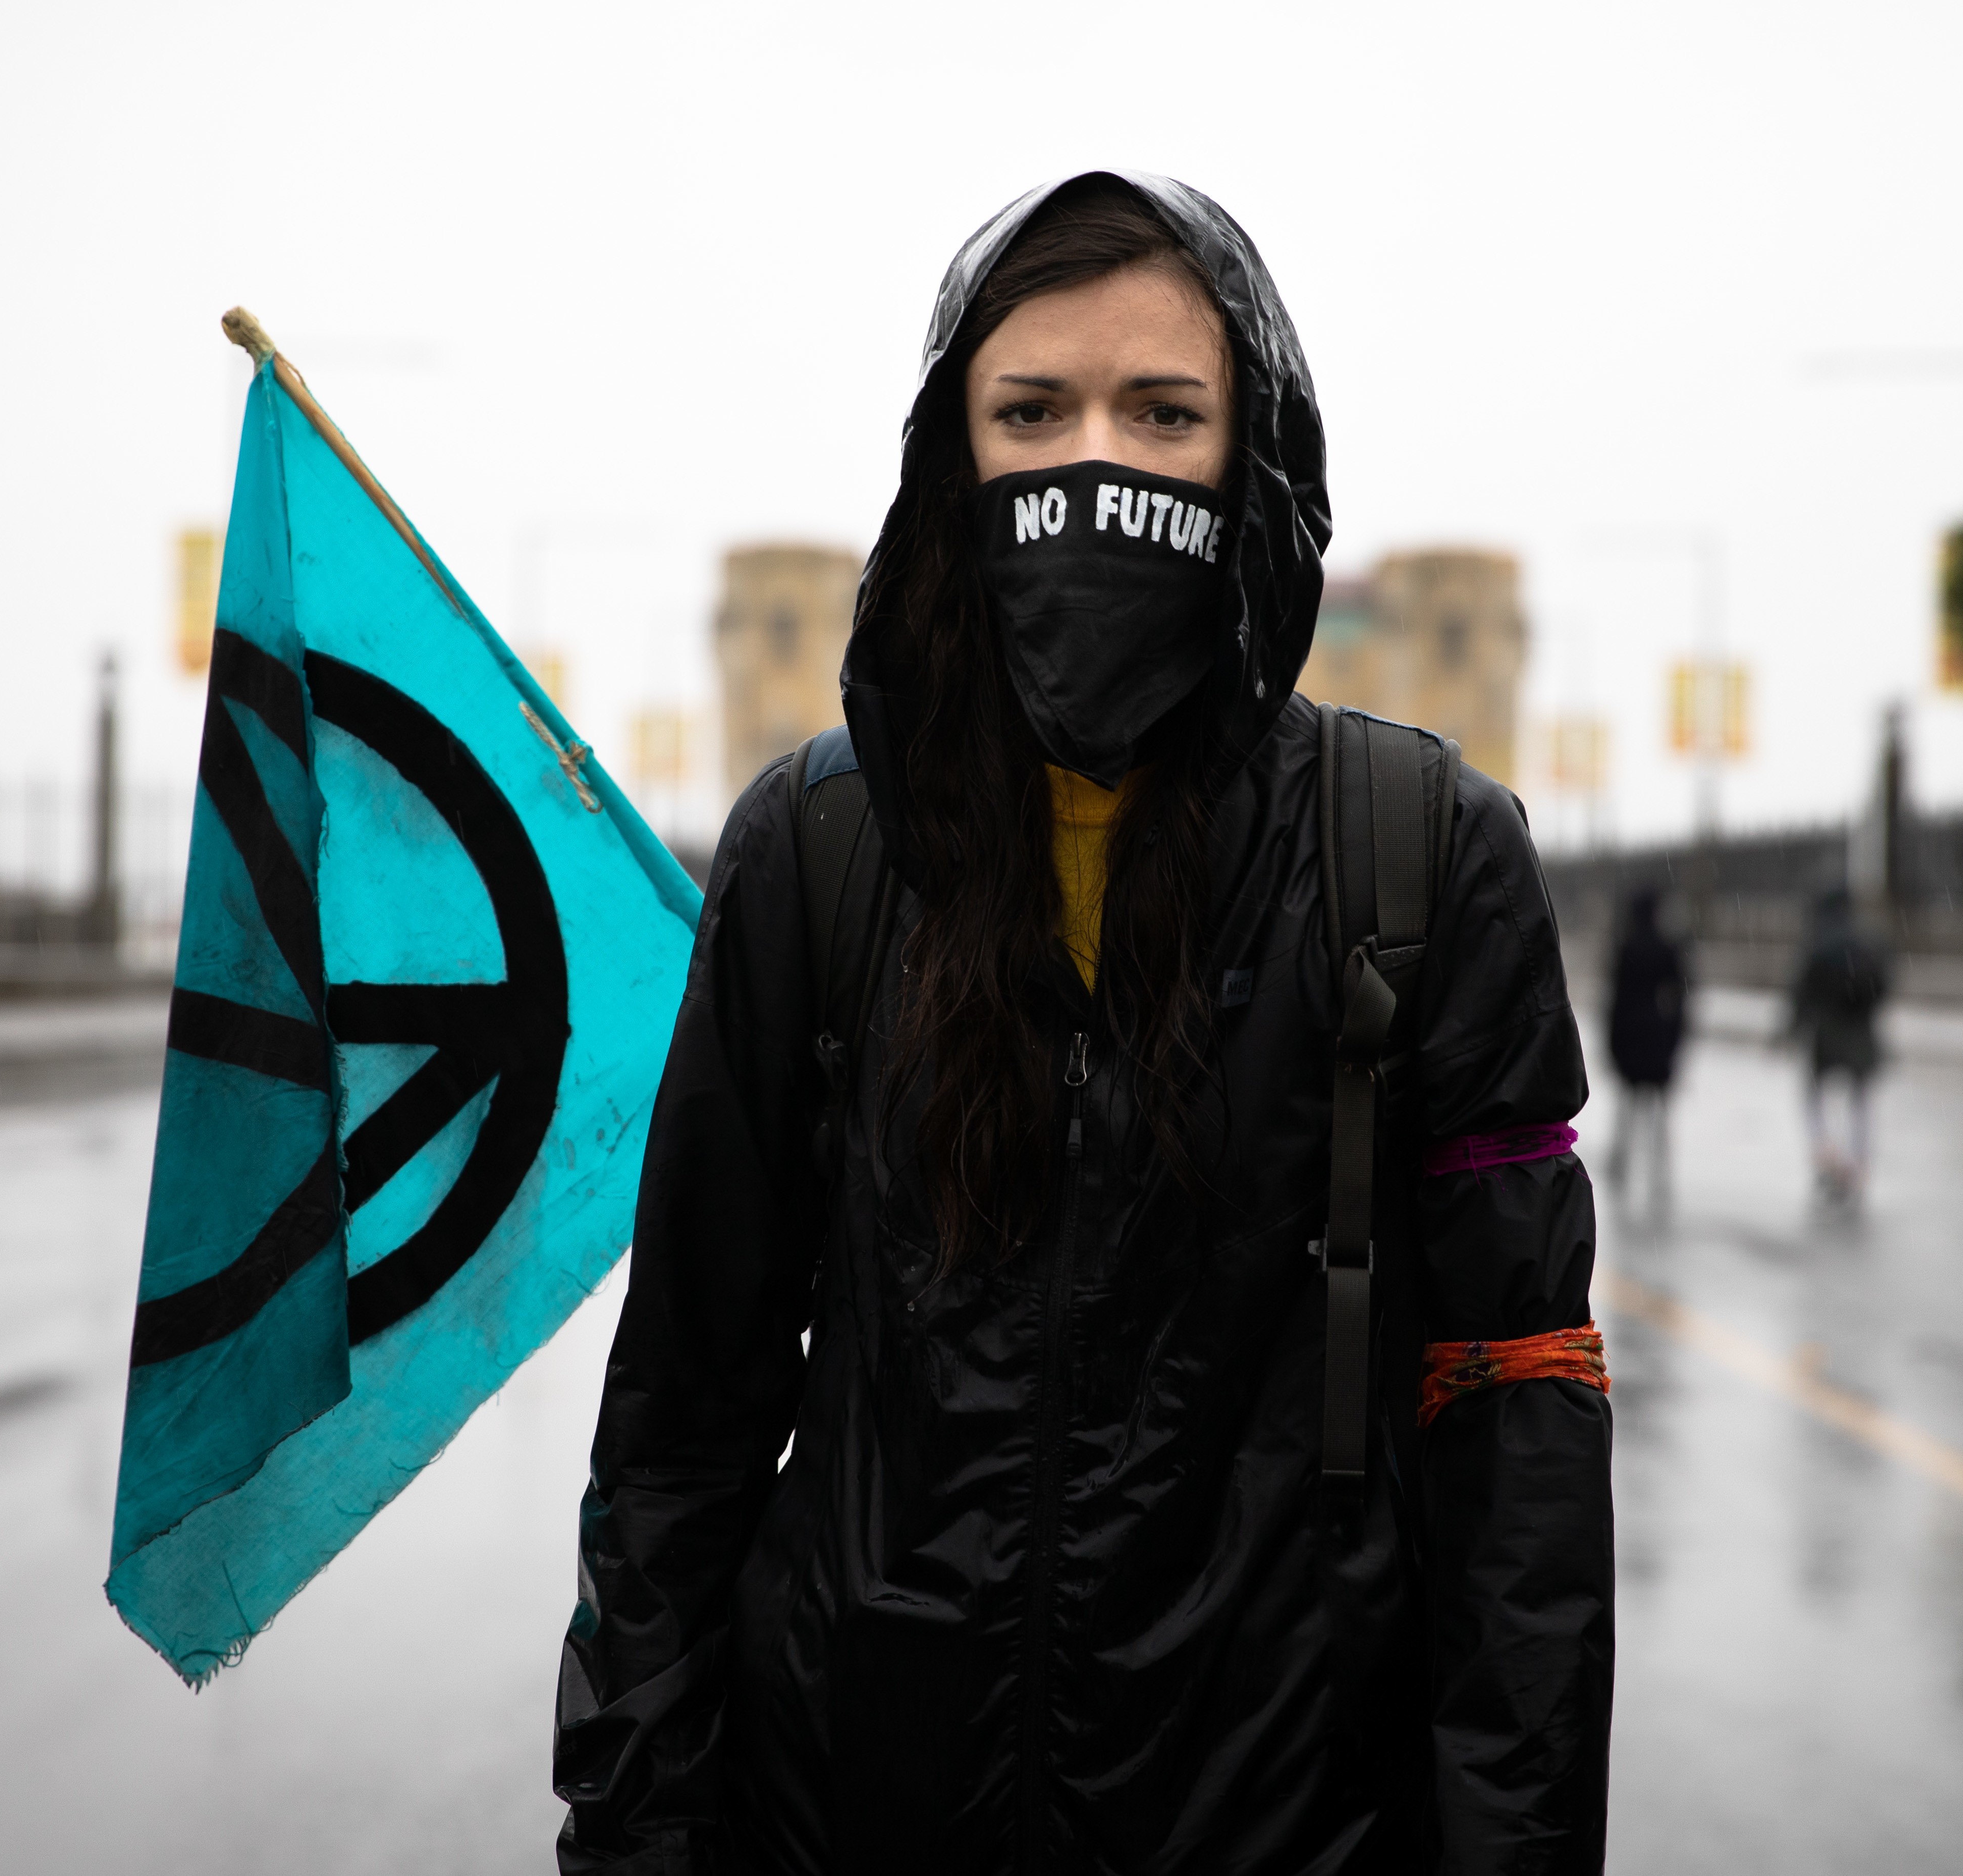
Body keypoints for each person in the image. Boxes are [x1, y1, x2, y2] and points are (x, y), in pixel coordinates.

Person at [554, 173, 1613, 1873]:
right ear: (947, 463)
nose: (1091, 469)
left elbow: (1519, 1442)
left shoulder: (1421, 857)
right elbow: (681, 1419)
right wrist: (638, 1838)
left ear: (1252, 461)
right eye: (1030, 413)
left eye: (1164, 414)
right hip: (849, 1820)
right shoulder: (815, 855)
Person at [1787, 884, 1889, 1207]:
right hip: (1861, 1034)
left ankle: (1826, 1152)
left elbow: (1801, 992)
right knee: (1860, 1101)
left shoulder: (1819, 944)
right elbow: (1884, 987)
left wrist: (1791, 1028)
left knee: (1814, 1095)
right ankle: (1858, 1163)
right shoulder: (1869, 941)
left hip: (1827, 1033)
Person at [1600, 884, 1687, 1213]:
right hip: (1657, 1037)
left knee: (1627, 1107)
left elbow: (1614, 1000)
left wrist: (1612, 1044)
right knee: (1659, 1112)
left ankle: (1621, 1162)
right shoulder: (1668, 947)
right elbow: (1680, 1000)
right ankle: (1659, 1170)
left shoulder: (1625, 947)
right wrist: (1674, 1039)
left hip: (1631, 1037)